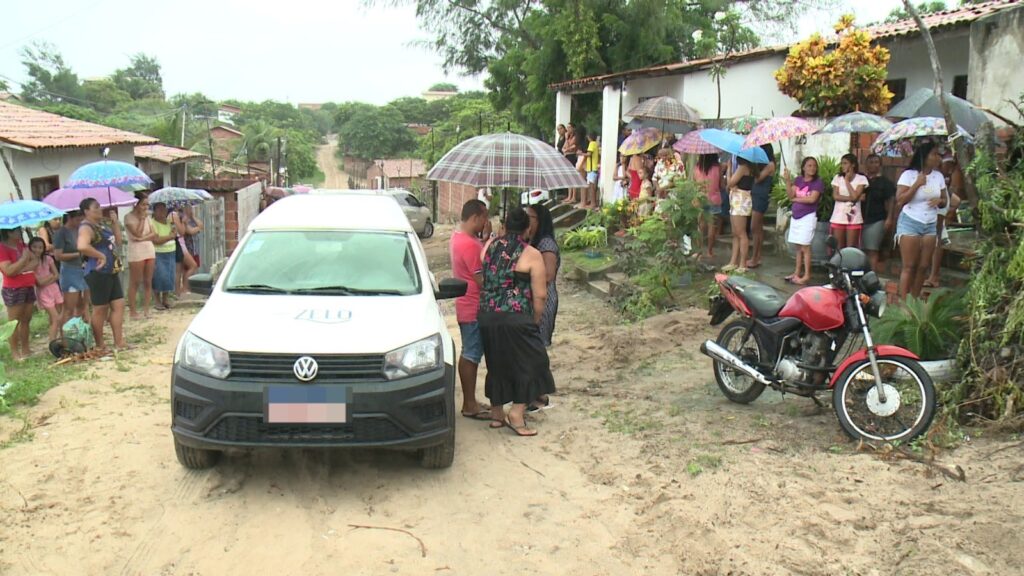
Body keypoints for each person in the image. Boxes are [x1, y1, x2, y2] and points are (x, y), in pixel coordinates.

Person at [479, 208, 556, 436]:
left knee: (497, 361)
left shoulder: (488, 247)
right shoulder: (531, 253)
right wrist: (534, 319)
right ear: (528, 228)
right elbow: (540, 294)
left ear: (504, 225)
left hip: (486, 315)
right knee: (534, 362)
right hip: (516, 315)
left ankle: (496, 414)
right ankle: (517, 412)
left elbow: (486, 274)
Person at [449, 199, 492, 422]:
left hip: (465, 304)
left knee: (470, 353)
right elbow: (481, 279)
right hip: (473, 306)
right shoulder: (470, 245)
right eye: (485, 217)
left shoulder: (458, 238)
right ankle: (469, 404)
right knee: (471, 354)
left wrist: (484, 241)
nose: (487, 221)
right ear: (476, 217)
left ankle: (470, 401)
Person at [895, 142, 947, 299]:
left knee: (923, 266)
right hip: (911, 220)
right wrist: (916, 184)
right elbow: (900, 200)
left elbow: (944, 199)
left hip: (930, 223)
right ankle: (904, 304)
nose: (938, 158)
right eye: (934, 154)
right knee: (909, 266)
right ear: (924, 157)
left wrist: (940, 201)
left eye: (939, 155)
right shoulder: (909, 175)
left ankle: (914, 302)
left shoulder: (938, 176)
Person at [77, 198, 127, 352]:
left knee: (118, 305)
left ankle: (119, 341)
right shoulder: (86, 227)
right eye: (96, 207)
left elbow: (117, 242)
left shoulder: (101, 225)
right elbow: (82, 246)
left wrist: (115, 224)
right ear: (86, 211)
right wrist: (101, 255)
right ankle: (100, 344)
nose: (100, 209)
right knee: (100, 308)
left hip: (111, 270)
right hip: (97, 272)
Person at [0, 227, 39, 361]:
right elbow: (8, 271)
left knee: (26, 319)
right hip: (13, 289)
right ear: (9, 232)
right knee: (14, 322)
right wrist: (23, 259)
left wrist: (22, 268)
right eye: (17, 231)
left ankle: (26, 348)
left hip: (28, 285)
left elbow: (35, 261)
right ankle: (15, 352)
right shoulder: (2, 249)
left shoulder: (23, 245)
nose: (20, 233)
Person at [925, 155, 964, 288]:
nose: (949, 169)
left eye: (951, 166)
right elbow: (955, 200)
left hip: (939, 204)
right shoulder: (935, 175)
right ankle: (932, 274)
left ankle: (934, 276)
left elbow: (954, 200)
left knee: (936, 241)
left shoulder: (943, 177)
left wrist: (948, 214)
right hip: (936, 203)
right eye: (948, 166)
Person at [784, 157, 823, 286]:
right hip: (796, 216)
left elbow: (812, 199)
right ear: (803, 167)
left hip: (808, 216)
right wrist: (787, 181)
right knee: (798, 246)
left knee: (805, 246)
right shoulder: (798, 180)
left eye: (814, 166)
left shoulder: (817, 182)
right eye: (809, 165)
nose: (812, 168)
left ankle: (806, 275)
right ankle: (796, 272)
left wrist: (796, 200)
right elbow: (790, 195)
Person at [861, 154, 896, 273]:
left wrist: (889, 218)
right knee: (860, 249)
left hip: (877, 218)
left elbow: (891, 201)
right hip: (859, 218)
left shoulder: (885, 183)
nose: (874, 165)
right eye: (871, 162)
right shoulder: (861, 179)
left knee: (872, 249)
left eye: (876, 162)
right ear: (866, 164)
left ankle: (871, 275)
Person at [53, 211, 89, 324]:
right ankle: (64, 337)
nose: (79, 222)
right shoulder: (61, 233)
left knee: (81, 305)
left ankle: (77, 332)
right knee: (69, 308)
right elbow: (58, 256)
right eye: (77, 220)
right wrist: (78, 254)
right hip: (69, 270)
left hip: (82, 268)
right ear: (69, 218)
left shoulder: (80, 230)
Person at [124, 193, 156, 319]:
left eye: (147, 204)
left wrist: (142, 238)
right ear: (136, 204)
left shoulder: (148, 217)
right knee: (135, 281)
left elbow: (154, 234)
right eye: (143, 204)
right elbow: (136, 233)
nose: (145, 207)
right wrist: (142, 219)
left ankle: (146, 309)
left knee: (148, 281)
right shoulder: (128, 217)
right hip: (136, 252)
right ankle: (133, 311)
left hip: (149, 249)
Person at [723, 158, 756, 273]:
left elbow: (730, 182)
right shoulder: (745, 167)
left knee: (741, 233)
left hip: (740, 201)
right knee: (735, 233)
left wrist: (728, 169)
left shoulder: (743, 167)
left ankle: (742, 263)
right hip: (736, 199)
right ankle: (733, 261)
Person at [830, 153, 868, 250]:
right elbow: (835, 196)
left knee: (851, 248)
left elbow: (855, 196)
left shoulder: (861, 179)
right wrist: (855, 198)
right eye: (842, 163)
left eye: (845, 163)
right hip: (838, 217)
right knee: (839, 247)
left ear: (853, 165)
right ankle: (839, 265)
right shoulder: (837, 178)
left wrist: (847, 181)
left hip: (854, 218)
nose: (843, 166)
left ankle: (849, 265)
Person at [29, 237, 62, 342]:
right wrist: (50, 277)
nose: (37, 250)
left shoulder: (48, 259)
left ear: (44, 249)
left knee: (59, 315)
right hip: (44, 293)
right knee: (55, 317)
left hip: (54, 289)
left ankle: (62, 338)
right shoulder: (30, 263)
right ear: (30, 247)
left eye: (40, 247)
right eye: (34, 247)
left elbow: (57, 274)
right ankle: (52, 342)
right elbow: (39, 283)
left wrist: (47, 279)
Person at [748, 144, 776, 269]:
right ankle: (757, 256)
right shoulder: (763, 164)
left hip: (761, 196)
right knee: (758, 228)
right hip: (756, 195)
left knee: (754, 227)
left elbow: (758, 179)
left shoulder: (770, 165)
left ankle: (755, 257)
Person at [149, 202, 178, 310]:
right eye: (159, 210)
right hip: (159, 253)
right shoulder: (152, 223)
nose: (162, 212)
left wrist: (174, 232)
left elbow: (173, 235)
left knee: (169, 276)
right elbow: (156, 240)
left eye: (164, 210)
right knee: (159, 276)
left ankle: (165, 299)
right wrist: (170, 237)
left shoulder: (169, 222)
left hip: (170, 251)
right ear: (154, 211)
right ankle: (157, 300)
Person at [693, 153, 722, 258]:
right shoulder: (718, 167)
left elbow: (694, 183)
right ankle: (710, 251)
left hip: (700, 199)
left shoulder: (697, 167)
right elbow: (721, 184)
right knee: (712, 227)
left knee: (700, 227)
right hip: (714, 199)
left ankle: (699, 251)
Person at [174, 207, 201, 295]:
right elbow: (185, 231)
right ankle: (183, 288)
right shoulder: (176, 216)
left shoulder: (188, 218)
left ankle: (183, 289)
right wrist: (184, 222)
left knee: (183, 269)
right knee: (192, 266)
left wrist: (193, 217)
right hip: (182, 245)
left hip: (185, 246)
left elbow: (201, 225)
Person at [561, 124, 580, 205]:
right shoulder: (568, 137)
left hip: (572, 156)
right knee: (568, 177)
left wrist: (567, 149)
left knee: (573, 177)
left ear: (573, 128)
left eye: (569, 127)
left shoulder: (575, 137)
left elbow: (572, 147)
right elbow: (563, 147)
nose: (568, 129)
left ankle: (574, 196)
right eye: (567, 127)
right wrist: (566, 139)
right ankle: (569, 195)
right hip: (567, 156)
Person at [583, 132, 601, 209]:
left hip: (592, 168)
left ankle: (593, 203)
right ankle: (593, 202)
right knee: (592, 186)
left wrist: (581, 154)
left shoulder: (592, 144)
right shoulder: (596, 144)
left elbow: (589, 154)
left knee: (592, 186)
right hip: (593, 168)